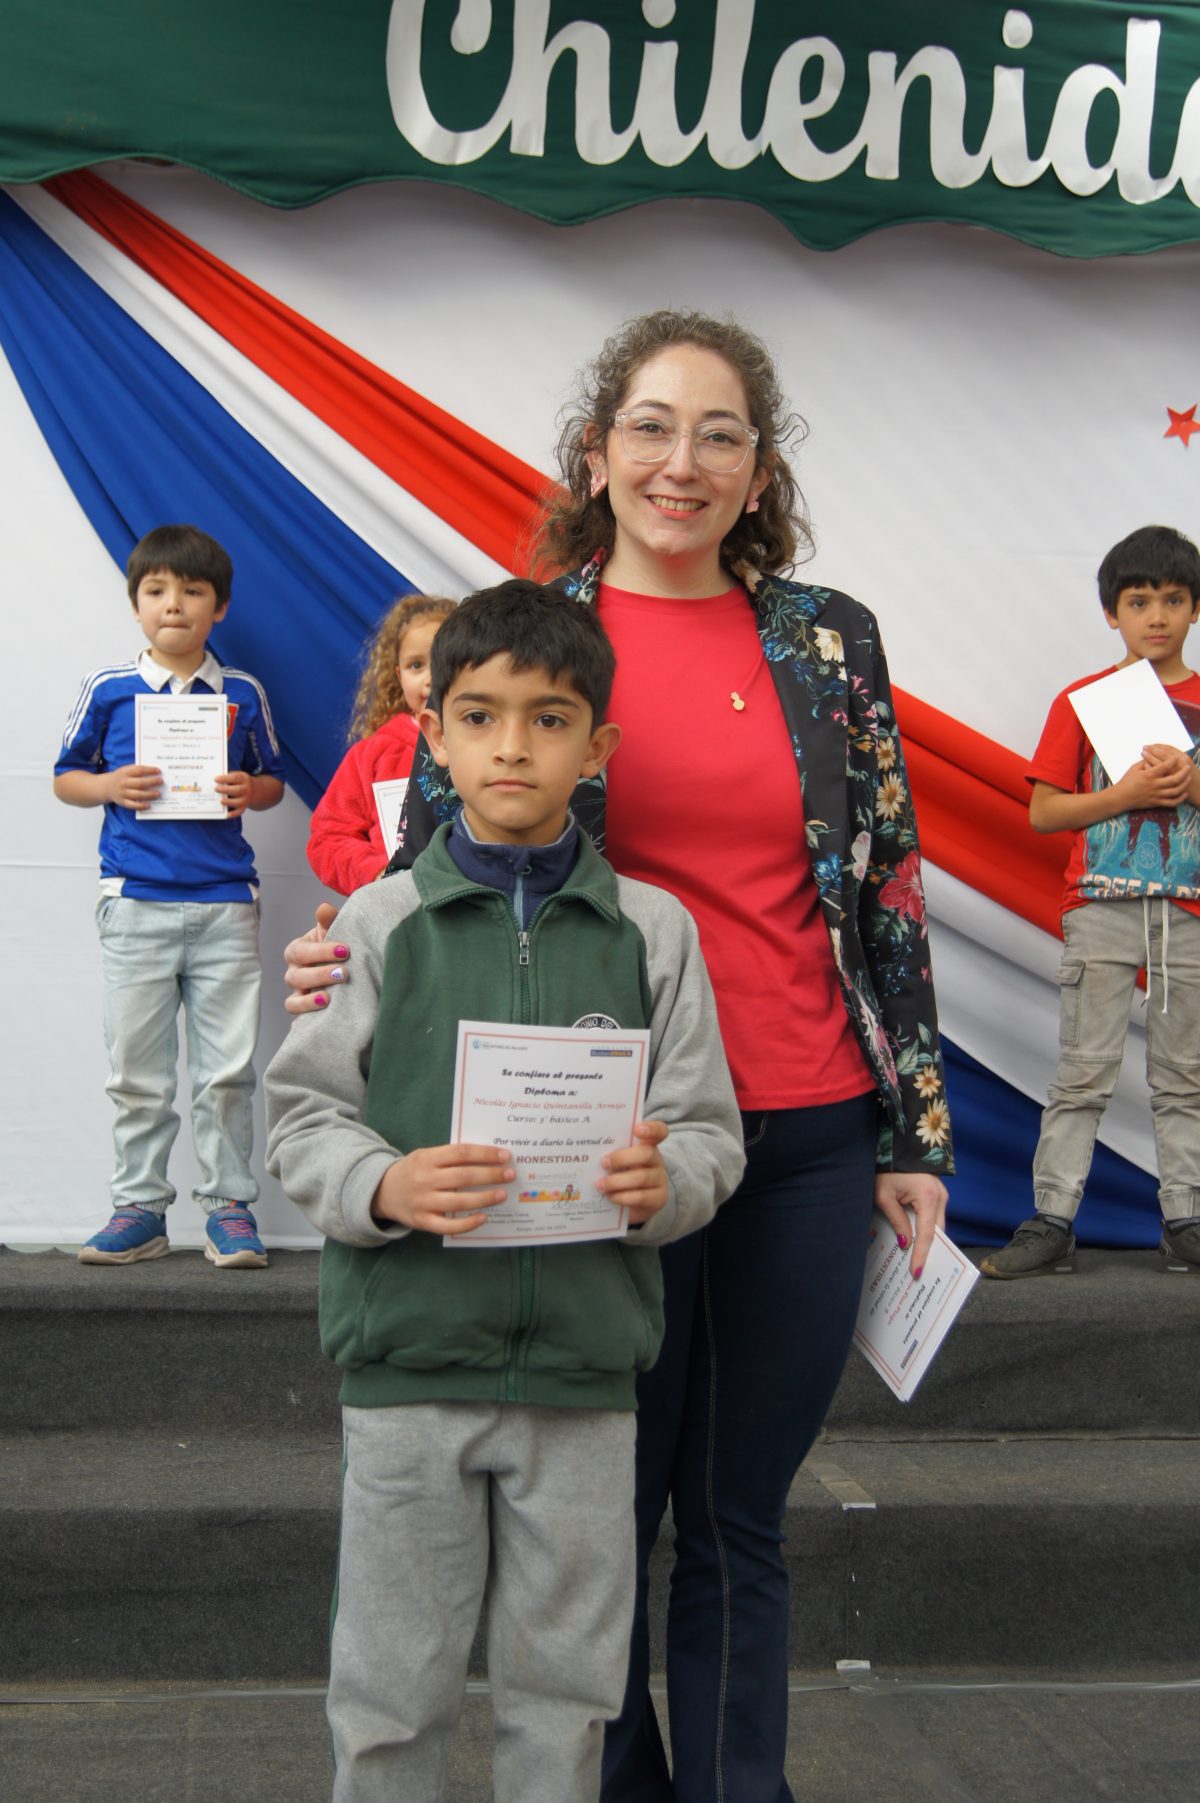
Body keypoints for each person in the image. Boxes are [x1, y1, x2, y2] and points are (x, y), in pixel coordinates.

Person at [282, 310, 952, 1802]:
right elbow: (426, 863)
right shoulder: (538, 625)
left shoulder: (828, 639)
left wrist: (915, 1136)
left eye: (720, 433)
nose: (682, 460)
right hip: (587, 1145)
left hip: (806, 1131)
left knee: (736, 1516)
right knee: (605, 1519)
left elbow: (888, 882)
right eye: (651, 425)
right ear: (598, 450)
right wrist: (336, 947)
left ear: (759, 468)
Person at [265, 580, 744, 1803]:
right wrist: (386, 1184)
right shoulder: (375, 926)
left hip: (585, 1384)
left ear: (600, 747)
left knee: (568, 1701)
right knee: (388, 1696)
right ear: (433, 734)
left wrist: (662, 1183)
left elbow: (709, 1137)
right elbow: (303, 1121)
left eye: (549, 719)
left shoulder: (655, 933)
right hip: (409, 1374)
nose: (512, 747)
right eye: (479, 718)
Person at [54, 523, 286, 1268]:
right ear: (135, 604)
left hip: (224, 903)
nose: (174, 605)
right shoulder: (109, 689)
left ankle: (228, 1207)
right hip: (135, 903)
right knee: (137, 1070)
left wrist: (249, 789)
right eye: (156, 590)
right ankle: (139, 1209)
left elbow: (274, 781)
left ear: (219, 608)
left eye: (192, 591)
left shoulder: (243, 694)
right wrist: (107, 786)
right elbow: (65, 777)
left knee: (227, 1069)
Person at [981, 524, 1200, 1279]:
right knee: (1082, 1073)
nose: (1157, 617)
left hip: (1189, 915)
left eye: (1174, 599)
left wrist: (1187, 782)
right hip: (1100, 905)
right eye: (1139, 601)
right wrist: (1127, 794)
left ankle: (1186, 1221)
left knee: (1185, 1076)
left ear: (1196, 609)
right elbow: (1044, 812)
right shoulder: (1084, 700)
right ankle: (1052, 1219)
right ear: (1113, 611)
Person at [307, 593, 456, 894]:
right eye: (416, 665)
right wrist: (378, 873)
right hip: (391, 915)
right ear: (398, 676)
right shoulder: (372, 755)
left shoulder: (494, 744)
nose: (430, 677)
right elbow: (327, 839)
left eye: (445, 660)